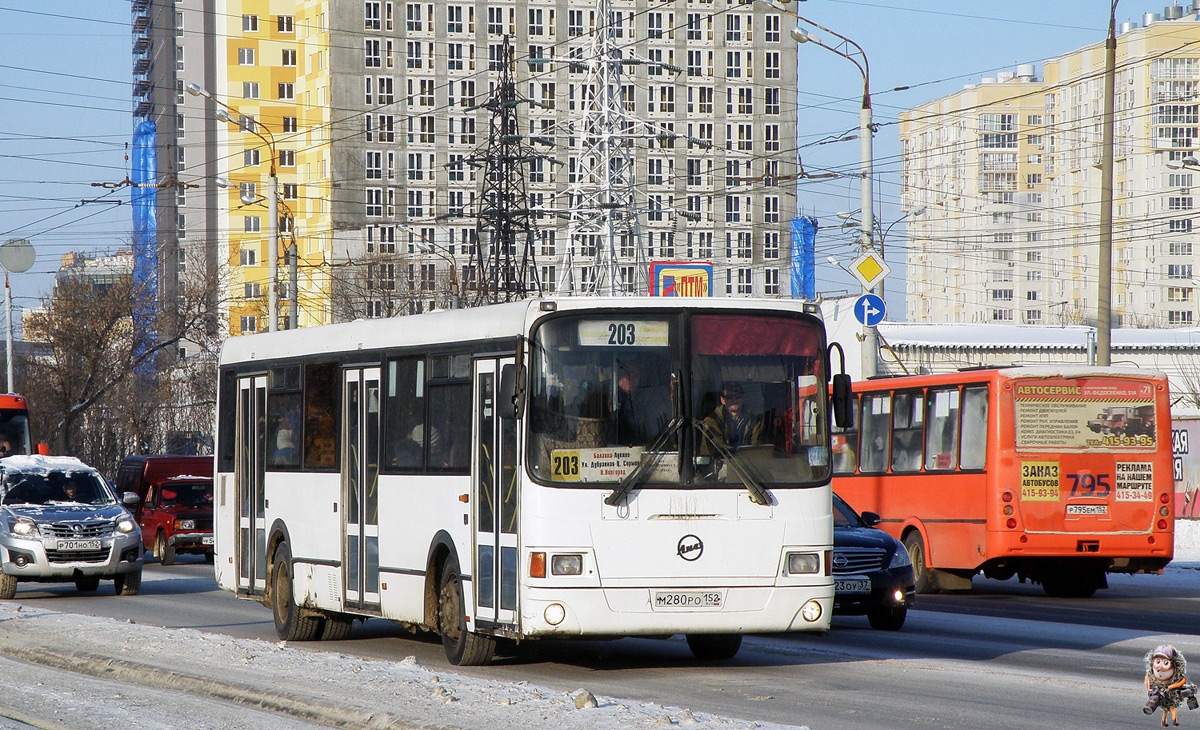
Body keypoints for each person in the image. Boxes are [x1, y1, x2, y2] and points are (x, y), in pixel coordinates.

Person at [701, 383, 762, 453]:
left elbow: (757, 448)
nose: (734, 400)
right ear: (722, 400)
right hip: (721, 462)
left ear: (743, 398)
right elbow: (717, 448)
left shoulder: (754, 421)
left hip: (748, 462)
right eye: (729, 397)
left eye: (738, 396)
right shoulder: (712, 420)